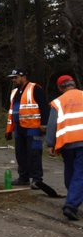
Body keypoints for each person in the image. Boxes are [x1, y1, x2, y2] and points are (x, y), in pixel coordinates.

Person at [46, 75, 83, 221]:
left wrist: (50, 143)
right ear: (73, 84)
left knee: (70, 171)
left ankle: (72, 196)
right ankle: (71, 205)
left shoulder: (58, 102)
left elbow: (51, 124)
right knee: (80, 174)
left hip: (66, 143)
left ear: (61, 88)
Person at [5, 68, 50, 189]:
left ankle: (37, 179)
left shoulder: (35, 89)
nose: (14, 80)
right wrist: (9, 129)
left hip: (33, 127)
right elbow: (11, 112)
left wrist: (44, 125)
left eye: (15, 78)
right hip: (19, 128)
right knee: (20, 153)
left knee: (33, 153)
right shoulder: (14, 92)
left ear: (24, 77)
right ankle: (23, 177)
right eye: (12, 78)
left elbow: (44, 108)